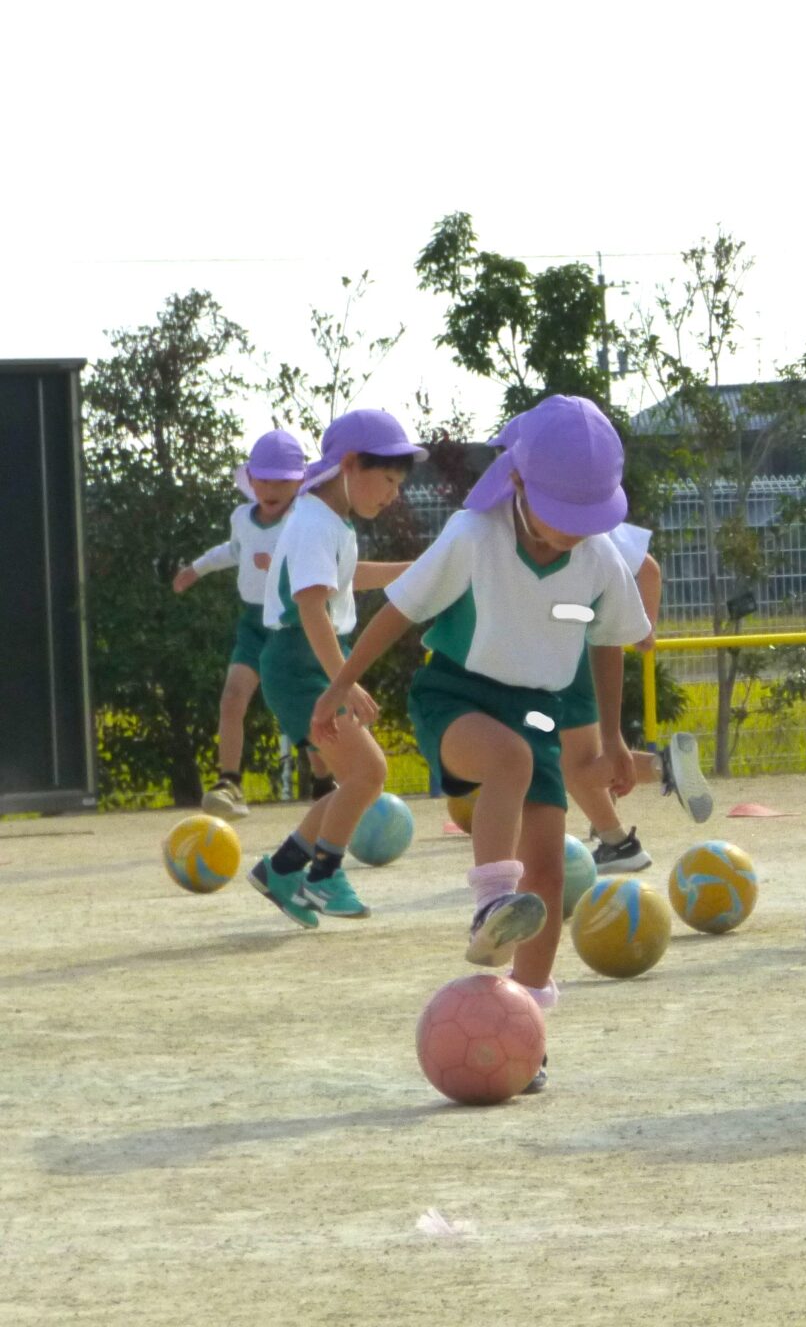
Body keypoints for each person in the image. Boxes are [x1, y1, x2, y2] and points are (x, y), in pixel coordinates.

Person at [314, 396, 650, 1094]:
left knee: (554, 875)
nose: (572, 536)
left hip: (538, 709)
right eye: (565, 516)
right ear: (520, 483)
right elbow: (398, 613)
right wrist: (339, 686)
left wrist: (615, 738)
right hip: (455, 696)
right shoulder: (474, 534)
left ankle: (527, 1025)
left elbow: (612, 642)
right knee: (510, 761)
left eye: (588, 521)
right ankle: (492, 903)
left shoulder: (598, 558)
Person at [247, 410, 423, 928]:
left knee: (356, 779)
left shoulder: (330, 521)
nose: (393, 494)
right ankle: (324, 876)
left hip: (307, 660)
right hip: (300, 662)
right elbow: (311, 609)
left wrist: (419, 570)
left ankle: (282, 870)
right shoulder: (315, 522)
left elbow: (347, 578)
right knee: (369, 773)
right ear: (349, 465)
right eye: (387, 479)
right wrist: (344, 681)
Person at [551, 516, 713, 874]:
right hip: (586, 648)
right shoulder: (593, 517)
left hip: (562, 653)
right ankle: (616, 843)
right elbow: (650, 569)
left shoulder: (538, 519)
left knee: (562, 767)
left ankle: (661, 768)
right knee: (577, 760)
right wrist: (645, 629)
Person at [172, 429, 308, 819]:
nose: (271, 487)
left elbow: (321, 567)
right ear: (249, 479)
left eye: (282, 479)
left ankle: (326, 782)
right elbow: (234, 551)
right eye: (263, 478)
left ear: (300, 480)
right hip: (253, 623)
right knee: (232, 697)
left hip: (294, 625)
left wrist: (281, 565)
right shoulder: (241, 518)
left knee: (307, 709)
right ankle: (230, 783)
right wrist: (194, 570)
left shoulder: (305, 519)